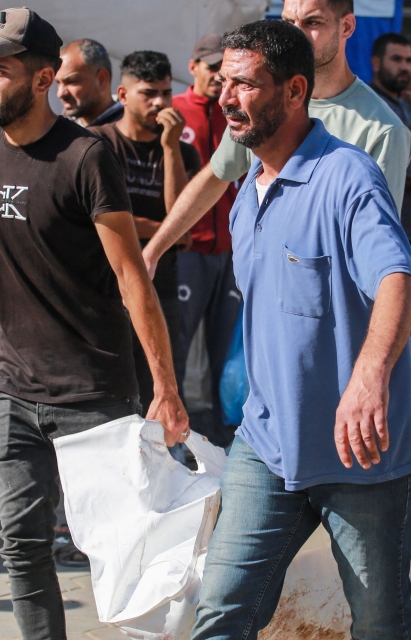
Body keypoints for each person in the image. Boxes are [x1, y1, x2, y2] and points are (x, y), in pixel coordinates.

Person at [0, 8, 188, 640]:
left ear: (43, 78)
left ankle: (206, 639)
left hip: (94, 391)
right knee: (21, 541)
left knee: (126, 542)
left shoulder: (83, 157)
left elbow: (132, 277)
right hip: (15, 388)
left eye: (0, 70)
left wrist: (165, 388)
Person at [181, 20, 411, 640]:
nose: (226, 97)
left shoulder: (348, 177)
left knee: (379, 629)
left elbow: (399, 281)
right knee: (219, 614)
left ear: (295, 92)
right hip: (266, 446)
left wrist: (369, 377)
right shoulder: (247, 194)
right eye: (223, 83)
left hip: (361, 456)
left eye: (245, 84)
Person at [142, 0, 411, 277]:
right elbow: (216, 175)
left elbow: (376, 248)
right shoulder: (262, 99)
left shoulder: (383, 130)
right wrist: (153, 252)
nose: (295, 35)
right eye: (288, 22)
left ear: (346, 26)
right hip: (261, 289)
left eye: (312, 22)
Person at [89, 51, 202, 413]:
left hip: (160, 288)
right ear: (122, 95)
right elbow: (94, 218)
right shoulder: (95, 145)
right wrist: (163, 233)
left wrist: (170, 150)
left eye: (167, 93)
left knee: (162, 389)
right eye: (149, 93)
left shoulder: (182, 152)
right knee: (106, 390)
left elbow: (182, 220)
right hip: (102, 287)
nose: (160, 103)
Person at [170, 34, 243, 442]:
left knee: (226, 355)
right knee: (176, 347)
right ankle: (173, 436)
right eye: (213, 67)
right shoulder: (174, 112)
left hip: (230, 253)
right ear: (193, 66)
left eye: (227, 70)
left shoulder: (237, 114)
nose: (219, 77)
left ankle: (226, 441)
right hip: (189, 252)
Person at [370, 32, 411, 150]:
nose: (404, 67)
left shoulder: (405, 105)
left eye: (408, 61)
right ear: (376, 63)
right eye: (396, 59)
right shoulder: (367, 104)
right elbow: (395, 157)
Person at [56, 38, 124, 126]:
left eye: (72, 81)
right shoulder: (60, 128)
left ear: (101, 80)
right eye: (58, 83)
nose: (60, 94)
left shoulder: (133, 132)